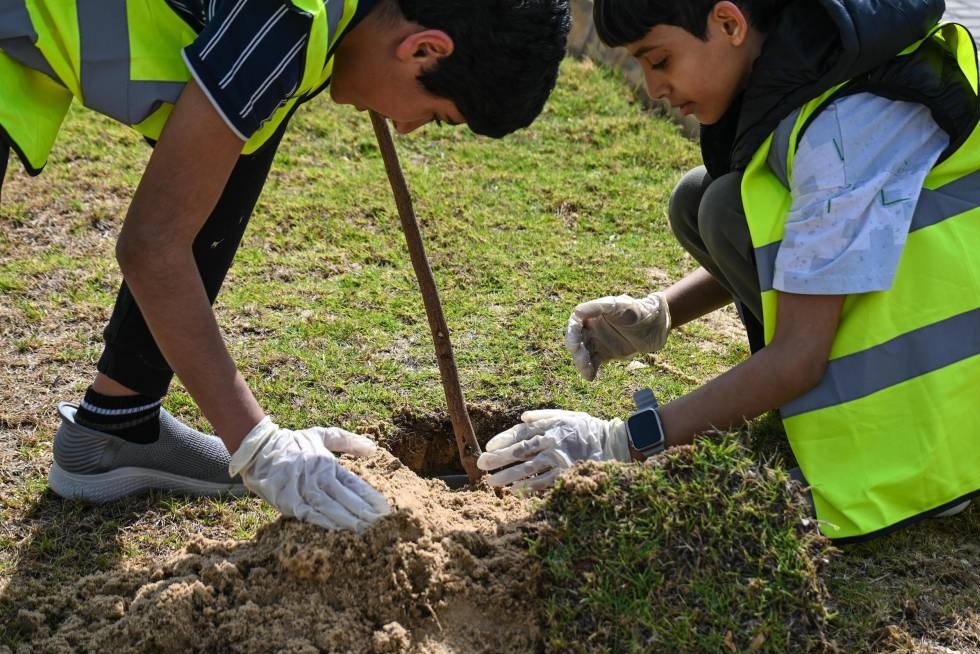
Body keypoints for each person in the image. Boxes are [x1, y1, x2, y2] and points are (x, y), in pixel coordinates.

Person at [0, 0, 570, 531]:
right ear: (424, 49)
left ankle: (119, 422)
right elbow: (151, 246)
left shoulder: (323, 24)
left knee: (250, 121)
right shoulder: (287, 19)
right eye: (437, 116)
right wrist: (257, 444)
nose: (406, 127)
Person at [478, 0, 980, 543]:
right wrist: (662, 313)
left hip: (973, 382)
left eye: (659, 60)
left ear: (729, 23)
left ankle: (914, 442)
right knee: (708, 201)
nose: (653, 88)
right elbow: (810, 249)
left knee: (723, 207)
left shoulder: (848, 126)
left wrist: (623, 441)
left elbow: (798, 357)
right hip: (951, 279)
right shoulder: (814, 63)